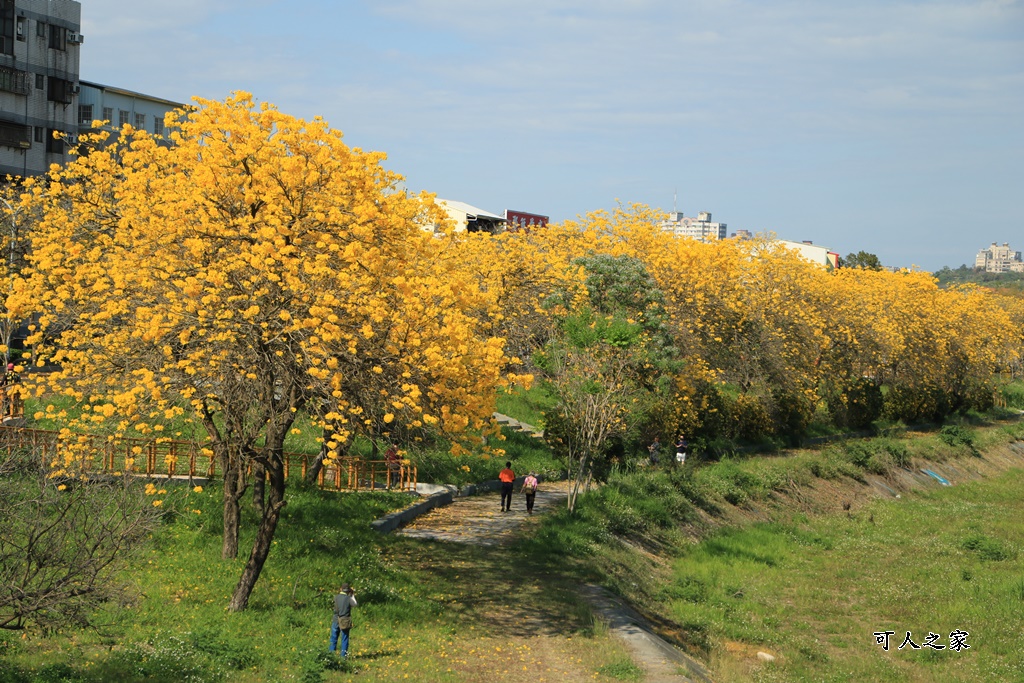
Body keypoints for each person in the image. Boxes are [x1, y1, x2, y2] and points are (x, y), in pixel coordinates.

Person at [329, 583, 357, 658]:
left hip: (336, 619)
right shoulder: (349, 598)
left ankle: (331, 656)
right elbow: (355, 604)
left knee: (333, 638)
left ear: (341, 589)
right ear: (348, 590)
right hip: (345, 621)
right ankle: (343, 657)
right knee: (344, 638)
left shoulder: (336, 597)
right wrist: (352, 594)